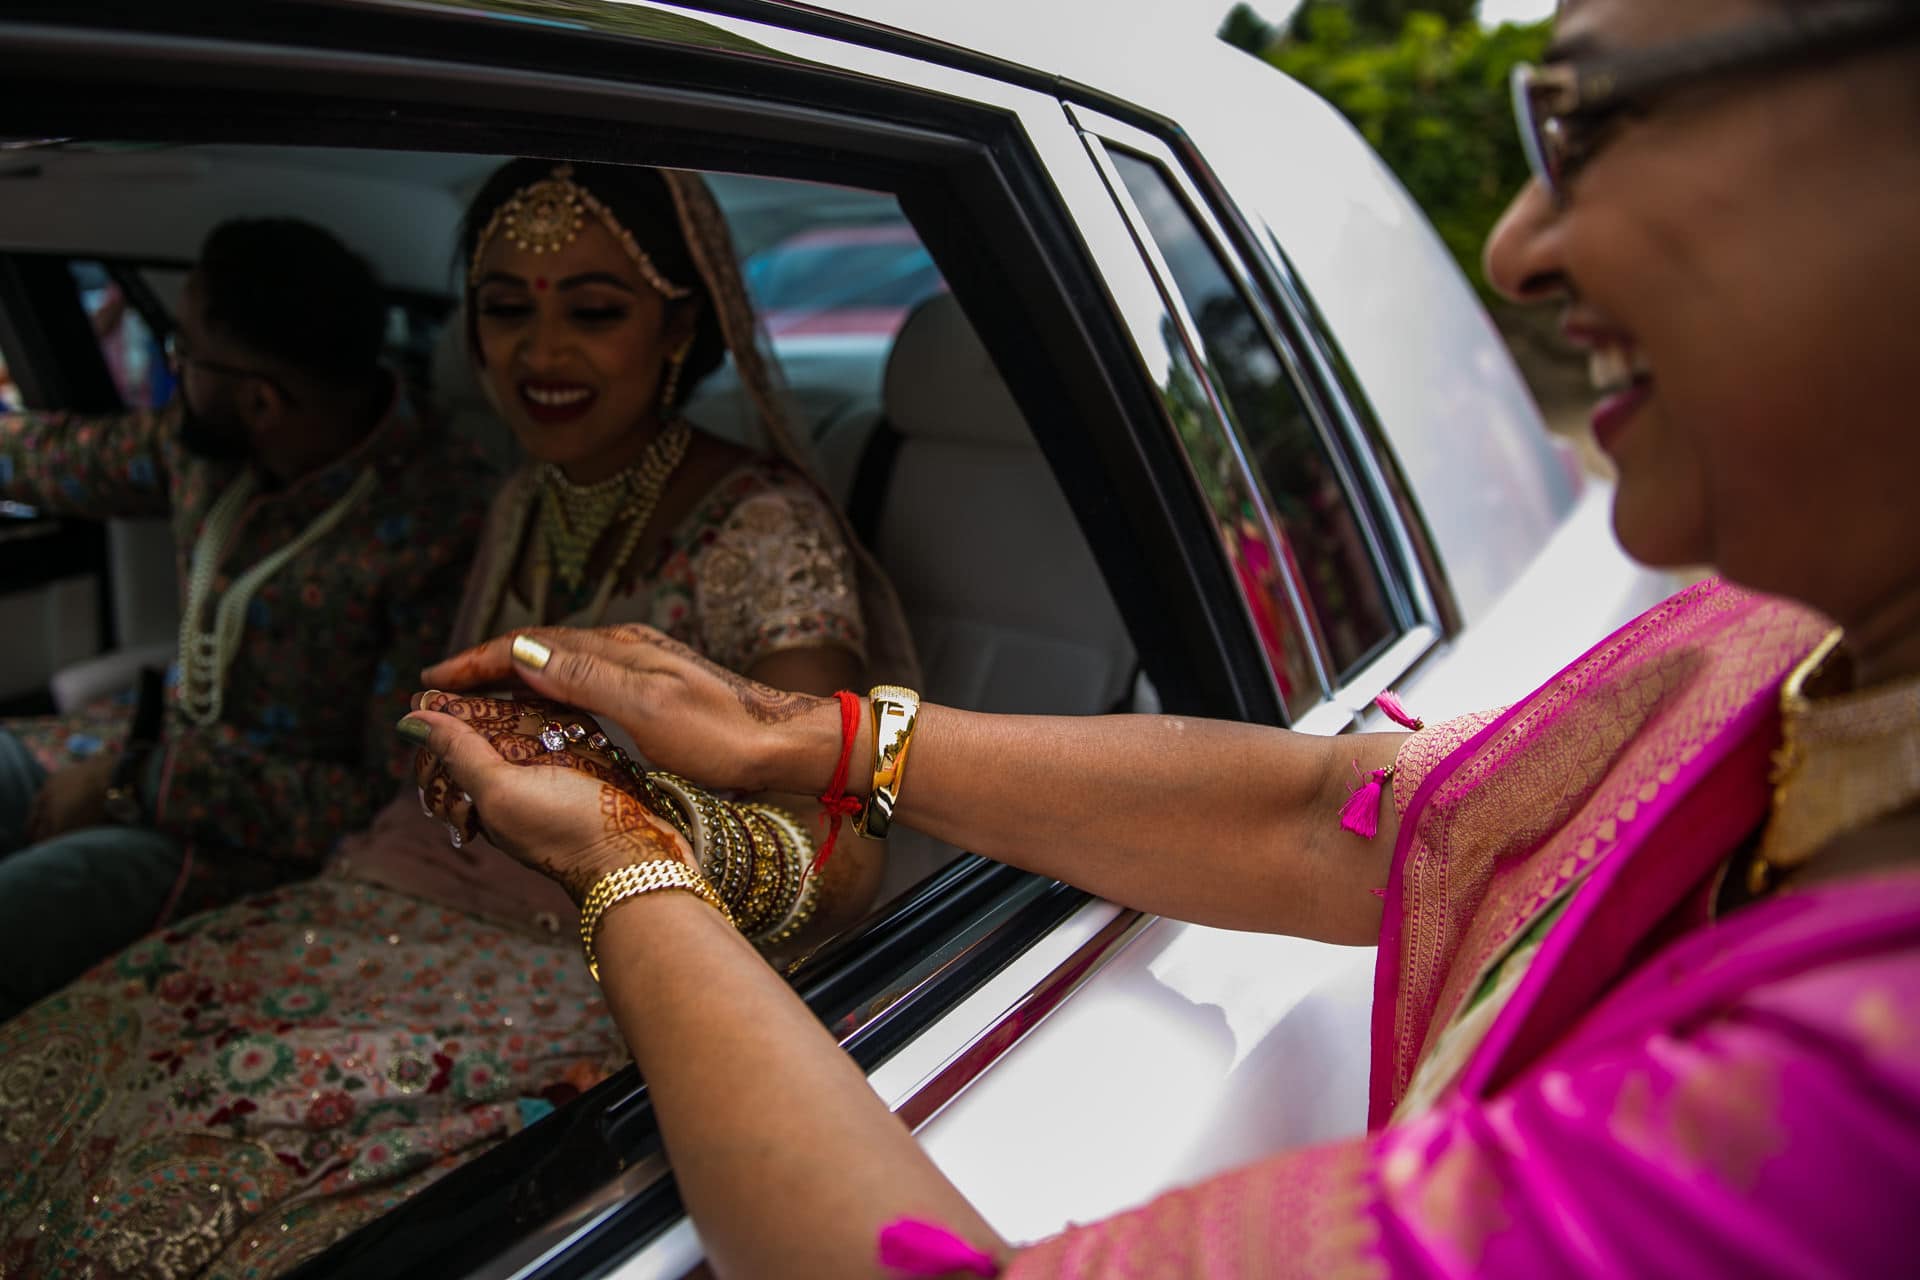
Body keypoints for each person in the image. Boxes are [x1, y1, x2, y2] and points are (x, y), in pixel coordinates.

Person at [401, 1, 1920, 1276]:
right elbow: (1348, 818)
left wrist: (624, 857)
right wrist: (815, 735)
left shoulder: (1840, 1104)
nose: (1518, 245)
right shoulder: (1775, 658)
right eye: (503, 308)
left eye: (1581, 123)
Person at [0, 160, 915, 1278]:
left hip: (590, 949)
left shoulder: (763, 528)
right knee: (57, 1074)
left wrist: (623, 839)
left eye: (593, 310)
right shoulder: (525, 498)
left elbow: (844, 837)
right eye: (506, 310)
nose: (541, 354)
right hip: (386, 896)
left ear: (679, 326)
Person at [0, 218, 494, 1019]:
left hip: (247, 846)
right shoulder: (213, 451)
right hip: (144, 757)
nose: (177, 369)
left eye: (185, 354)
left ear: (260, 398)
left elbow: (381, 799)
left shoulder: (441, 523)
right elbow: (66, 457)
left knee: (18, 914)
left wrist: (140, 782)